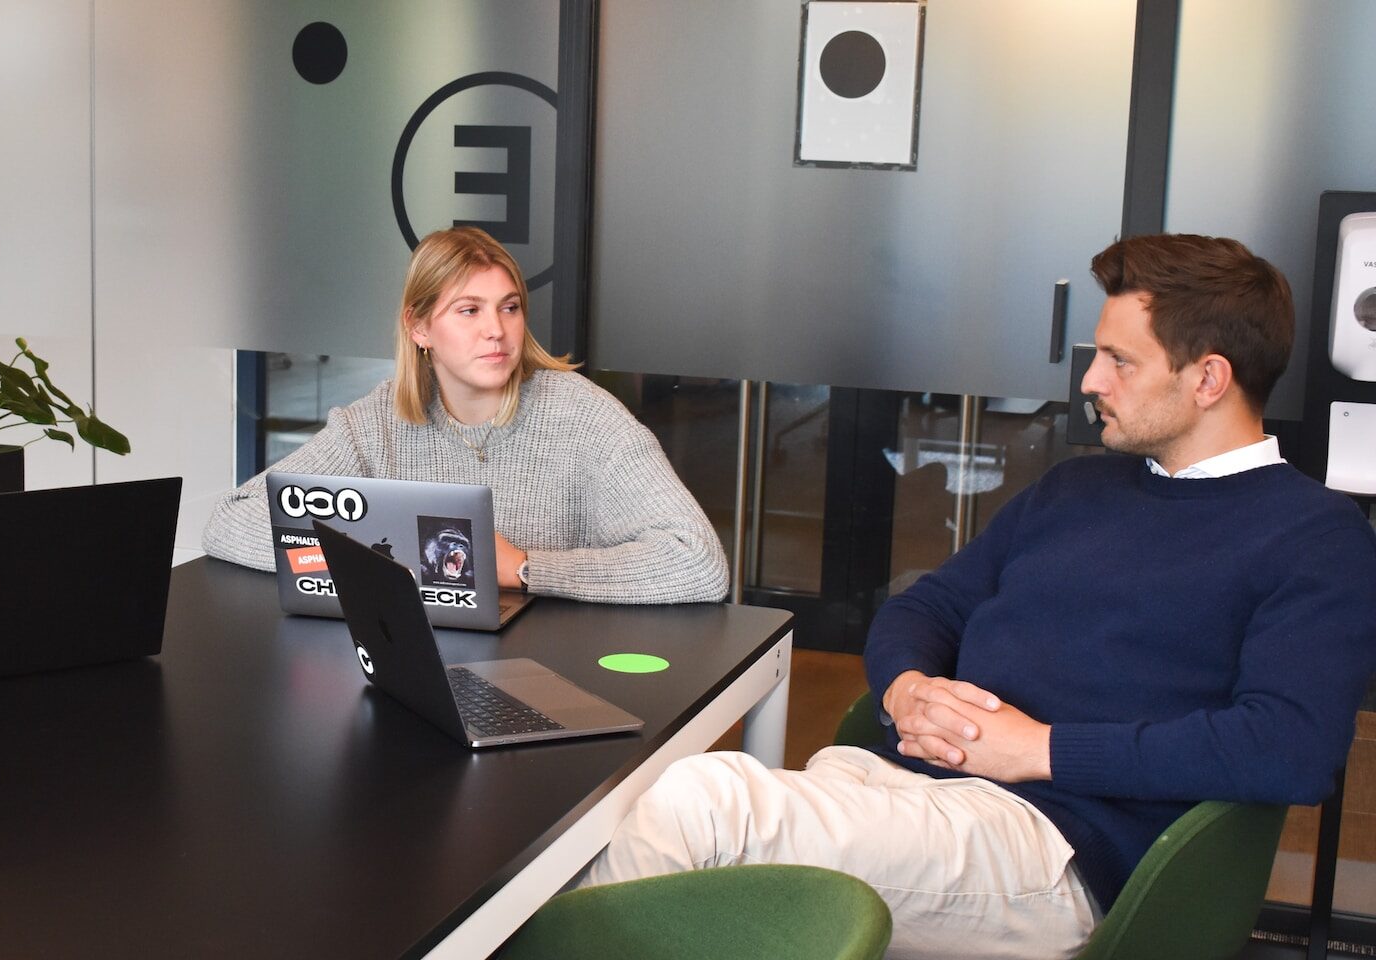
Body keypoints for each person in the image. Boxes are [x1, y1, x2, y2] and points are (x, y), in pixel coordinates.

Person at [578, 234, 1376, 959]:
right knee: (645, 813)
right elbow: (927, 609)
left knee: (700, 803)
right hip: (898, 784)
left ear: (1208, 377)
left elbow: (1290, 747)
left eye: (1120, 361)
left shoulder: (1313, 536)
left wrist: (1038, 749)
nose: (1091, 382)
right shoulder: (1077, 488)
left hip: (1048, 843)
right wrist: (908, 687)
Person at [201, 226, 727, 604]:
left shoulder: (583, 417)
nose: (496, 329)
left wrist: (523, 568)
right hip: (419, 662)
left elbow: (697, 563)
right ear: (420, 328)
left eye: (509, 306)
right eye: (469, 310)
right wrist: (386, 561)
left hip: (557, 670)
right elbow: (233, 520)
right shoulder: (377, 422)